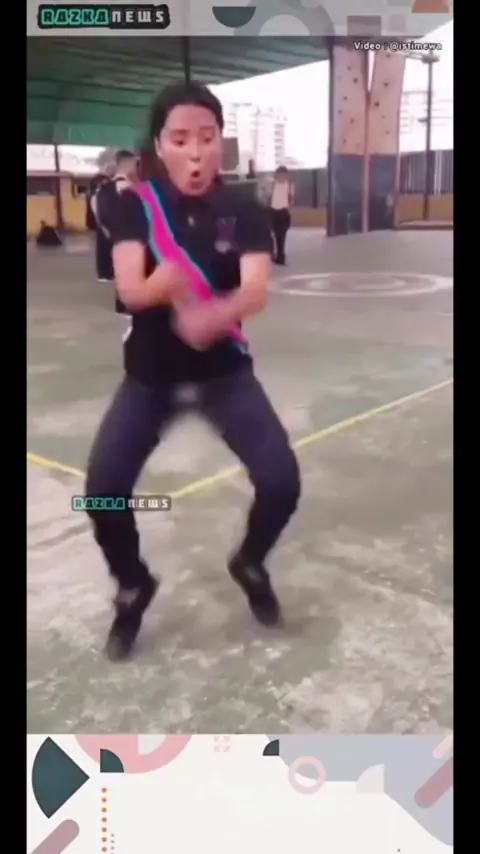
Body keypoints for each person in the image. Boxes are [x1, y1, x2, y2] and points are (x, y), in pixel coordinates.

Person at [85, 82, 301, 661]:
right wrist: (162, 285)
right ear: (160, 145)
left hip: (225, 375)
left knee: (282, 482)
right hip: (150, 378)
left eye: (206, 138)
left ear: (220, 142)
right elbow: (131, 290)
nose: (196, 153)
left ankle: (250, 561)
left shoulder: (245, 208)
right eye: (180, 140)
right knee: (102, 494)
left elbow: (255, 290)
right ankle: (133, 586)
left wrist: (215, 314)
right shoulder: (135, 205)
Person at [270, 166, 294, 266]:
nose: (282, 177)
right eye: (279, 175)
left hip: (283, 212)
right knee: (272, 235)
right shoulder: (272, 184)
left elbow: (291, 199)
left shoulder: (289, 185)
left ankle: (281, 256)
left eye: (284, 175)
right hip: (273, 211)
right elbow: (268, 197)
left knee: (282, 236)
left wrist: (290, 211)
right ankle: (272, 254)